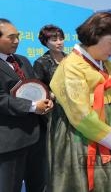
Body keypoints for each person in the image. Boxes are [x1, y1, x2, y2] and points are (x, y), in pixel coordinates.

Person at [49, 12, 111, 191]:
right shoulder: (71, 67)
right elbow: (81, 116)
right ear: (95, 36)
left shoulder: (105, 63)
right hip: (86, 137)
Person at [0, 18, 54, 192]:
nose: (17, 41)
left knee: (39, 185)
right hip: (11, 142)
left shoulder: (22, 60)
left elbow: (35, 87)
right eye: (11, 37)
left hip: (37, 137)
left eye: (18, 36)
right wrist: (32, 106)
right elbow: (2, 99)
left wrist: (47, 99)